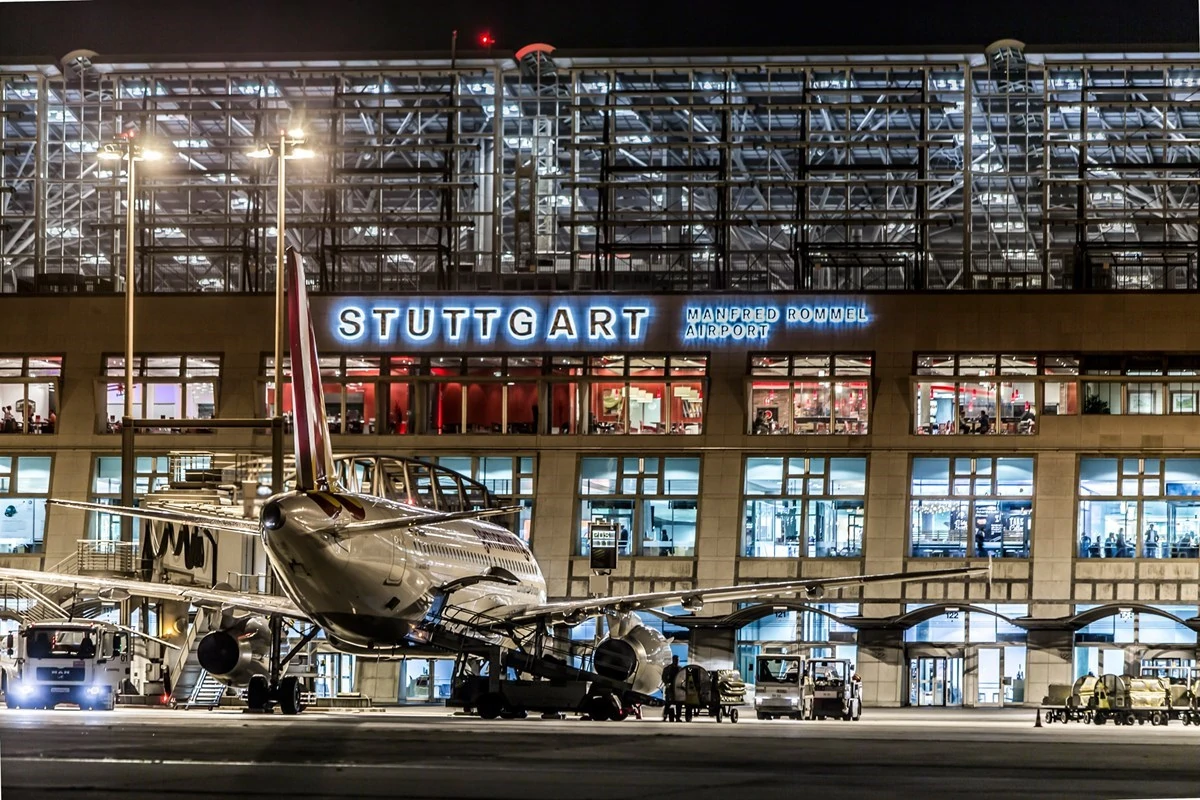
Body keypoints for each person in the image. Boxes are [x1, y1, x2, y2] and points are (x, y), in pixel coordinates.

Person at [661, 655, 682, 721]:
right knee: (668, 702)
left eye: (677, 660)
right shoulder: (668, 669)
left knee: (679, 703)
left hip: (678, 688)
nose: (677, 661)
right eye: (676, 660)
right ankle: (665, 716)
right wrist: (666, 683)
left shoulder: (680, 669)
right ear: (673, 660)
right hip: (670, 688)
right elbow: (664, 677)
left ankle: (678, 717)